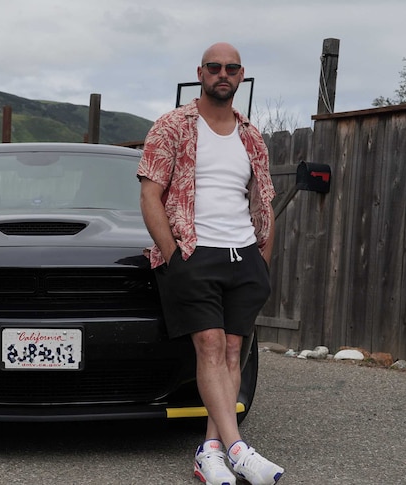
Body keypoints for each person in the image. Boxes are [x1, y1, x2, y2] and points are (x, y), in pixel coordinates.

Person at [137, 42, 284, 485]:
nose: (223, 73)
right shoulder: (172, 125)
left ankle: (212, 451)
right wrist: (176, 254)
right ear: (200, 73)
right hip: (195, 251)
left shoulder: (251, 135)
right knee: (210, 345)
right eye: (215, 67)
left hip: (244, 256)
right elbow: (149, 194)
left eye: (232, 68)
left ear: (241, 76)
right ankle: (239, 448)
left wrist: (263, 260)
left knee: (234, 349)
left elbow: (264, 201)